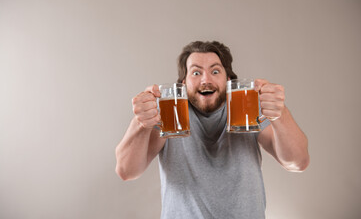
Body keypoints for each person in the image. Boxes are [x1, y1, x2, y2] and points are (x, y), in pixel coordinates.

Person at [115, 41, 310, 219]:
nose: (205, 80)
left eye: (215, 71)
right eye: (196, 72)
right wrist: (140, 123)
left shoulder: (247, 111)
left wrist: (279, 113)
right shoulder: (169, 114)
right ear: (183, 82)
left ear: (228, 79)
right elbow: (126, 171)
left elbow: (298, 162)